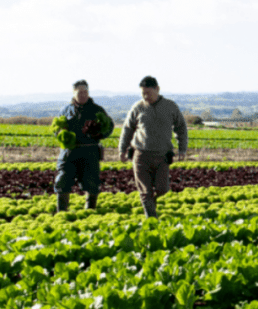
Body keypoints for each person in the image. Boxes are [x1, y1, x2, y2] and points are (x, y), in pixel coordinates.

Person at [118, 75, 188, 218]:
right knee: (145, 190)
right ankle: (151, 218)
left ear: (157, 89)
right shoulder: (137, 107)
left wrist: (182, 149)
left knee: (163, 189)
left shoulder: (170, 106)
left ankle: (152, 204)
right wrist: (122, 149)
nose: (145, 96)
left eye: (148, 93)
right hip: (141, 155)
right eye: (143, 93)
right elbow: (127, 129)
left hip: (162, 156)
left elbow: (181, 127)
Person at [54, 80, 114, 213]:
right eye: (79, 92)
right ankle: (61, 211)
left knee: (92, 182)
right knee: (63, 179)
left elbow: (109, 126)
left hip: (90, 151)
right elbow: (56, 128)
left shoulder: (97, 110)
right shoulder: (66, 110)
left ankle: (90, 210)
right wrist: (60, 132)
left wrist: (100, 133)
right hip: (69, 152)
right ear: (74, 93)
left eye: (85, 91)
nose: (83, 94)